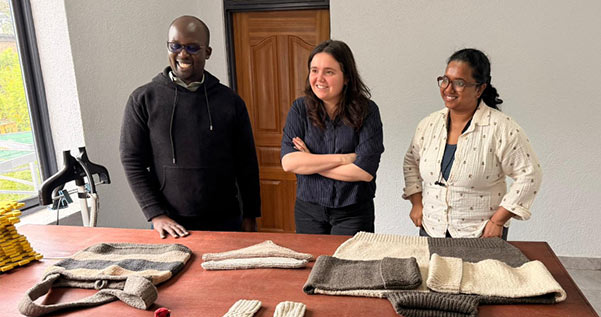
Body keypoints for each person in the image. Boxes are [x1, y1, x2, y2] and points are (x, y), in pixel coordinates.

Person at [120, 15, 260, 239]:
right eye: (175, 46)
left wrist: (251, 214)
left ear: (207, 52)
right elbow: (131, 160)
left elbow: (247, 163)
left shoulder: (230, 101)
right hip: (170, 223)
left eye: (192, 47)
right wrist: (155, 214)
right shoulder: (143, 99)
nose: (182, 54)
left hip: (226, 220)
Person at [402, 48, 542, 239]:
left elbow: (530, 175)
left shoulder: (501, 127)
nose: (448, 89)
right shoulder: (428, 124)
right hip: (432, 228)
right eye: (445, 80)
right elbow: (411, 162)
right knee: (433, 271)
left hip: (481, 233)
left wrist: (497, 221)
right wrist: (416, 203)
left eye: (459, 83)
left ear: (480, 88)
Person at [280, 40, 383, 235]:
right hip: (308, 210)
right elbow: (289, 163)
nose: (319, 78)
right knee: (312, 264)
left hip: (353, 211)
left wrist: (310, 163)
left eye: (329, 72)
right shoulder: (299, 109)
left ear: (346, 77)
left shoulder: (367, 111)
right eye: (314, 70)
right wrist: (344, 159)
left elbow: (364, 171)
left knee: (348, 265)